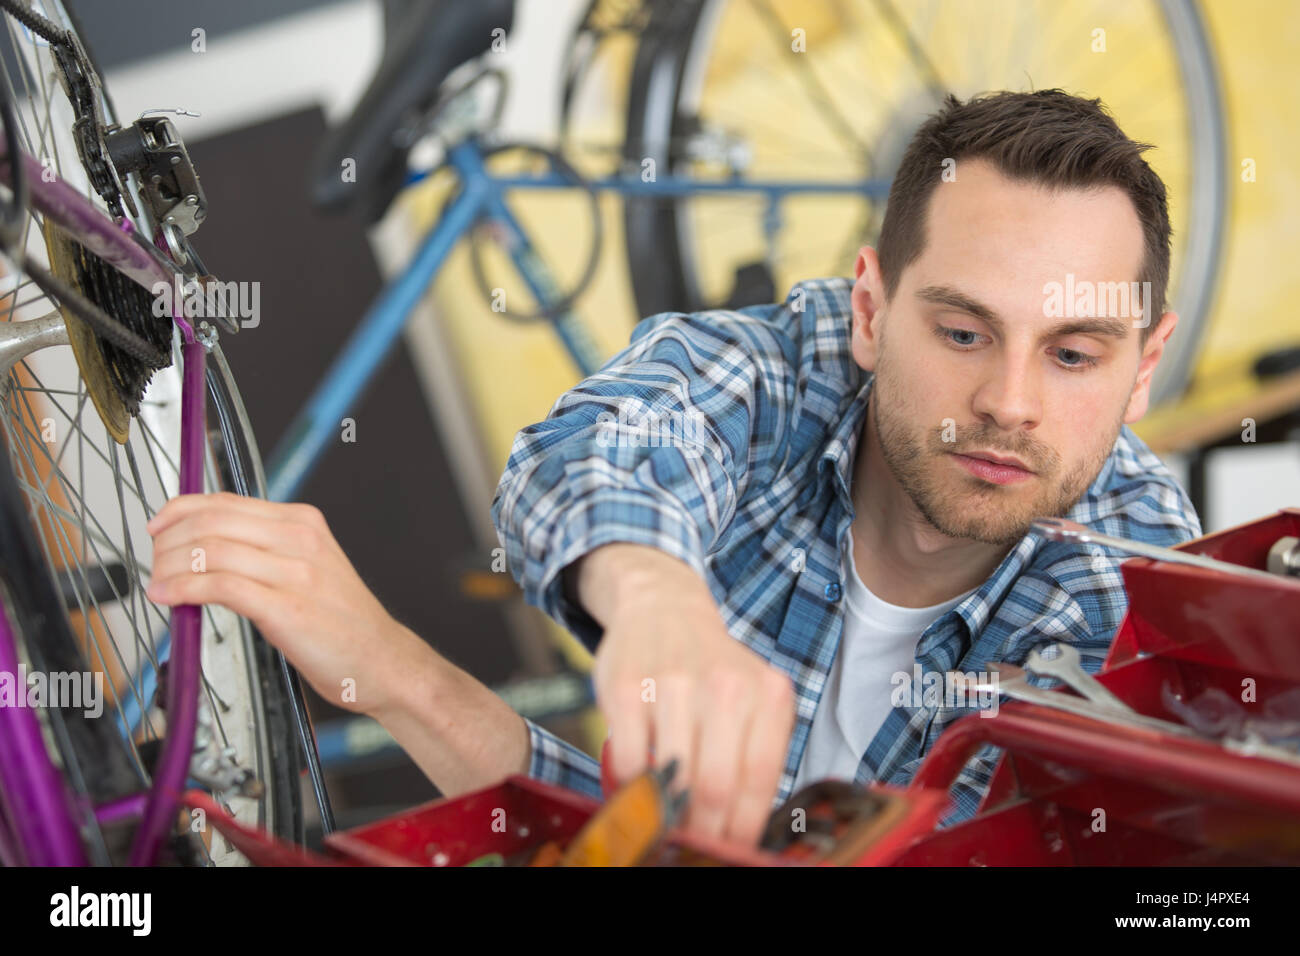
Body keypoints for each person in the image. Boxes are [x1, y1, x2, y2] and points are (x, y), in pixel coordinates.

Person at [146, 89, 1200, 850]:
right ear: (871, 311)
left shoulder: (1134, 597)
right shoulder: (785, 362)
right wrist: (640, 604)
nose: (1008, 400)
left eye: (1072, 353)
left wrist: (407, 679)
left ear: (1142, 365)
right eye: (964, 330)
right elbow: (602, 442)